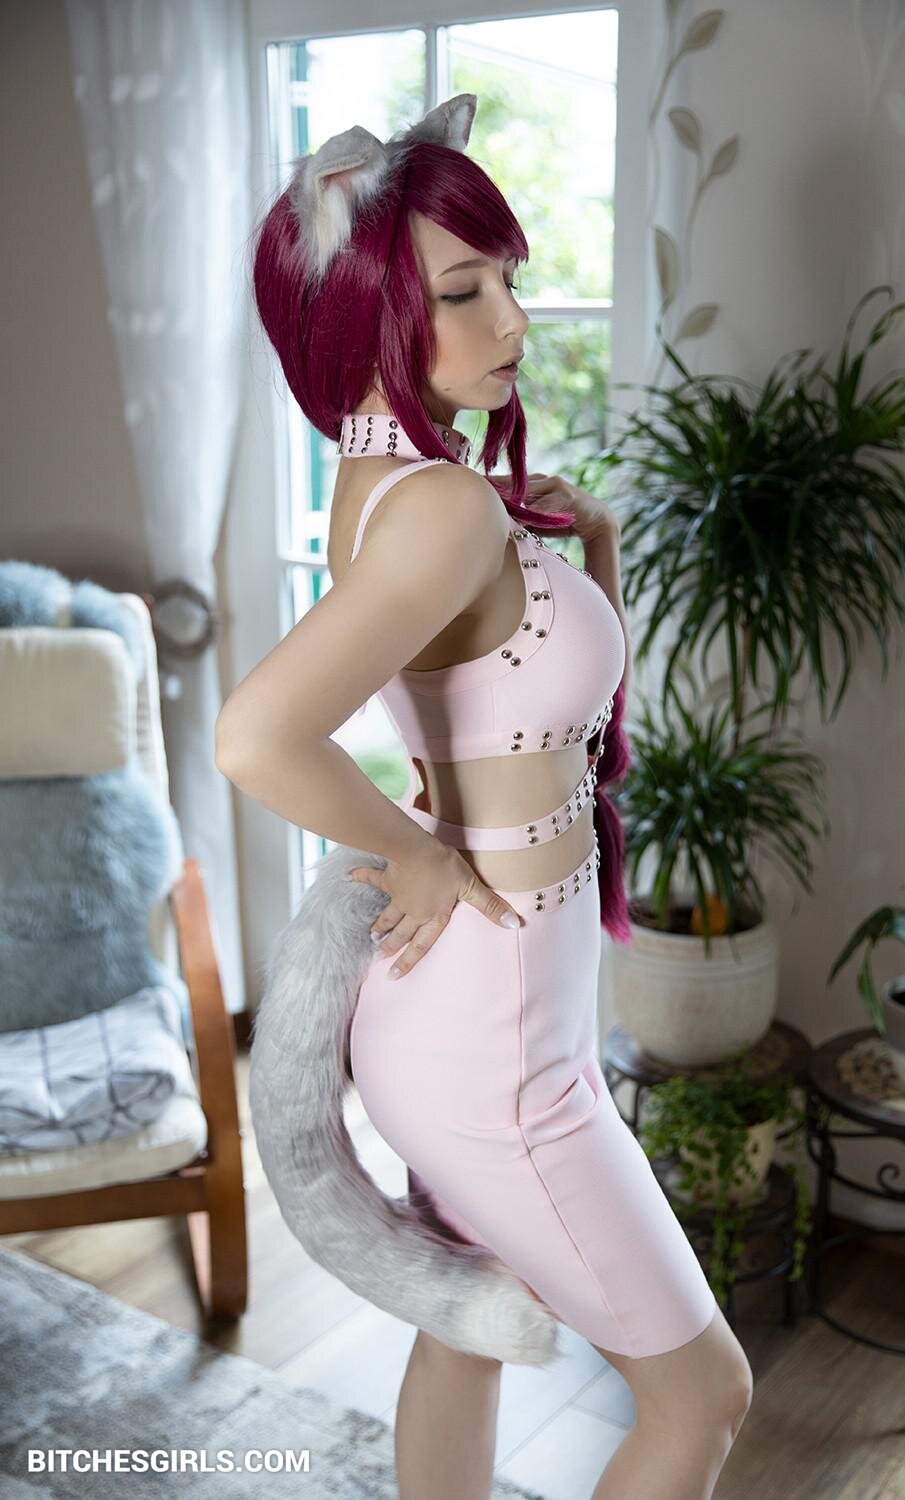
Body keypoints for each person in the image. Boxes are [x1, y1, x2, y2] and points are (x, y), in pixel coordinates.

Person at [218, 93, 753, 1500]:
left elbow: (540, 717)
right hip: (493, 1040)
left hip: (485, 1006)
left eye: (507, 278)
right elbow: (256, 738)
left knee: (469, 1330)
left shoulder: (396, 485)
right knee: (703, 1397)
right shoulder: (446, 511)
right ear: (367, 318)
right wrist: (416, 856)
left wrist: (594, 542)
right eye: (464, 291)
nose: (511, 321)